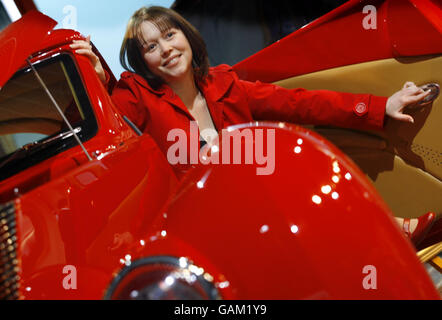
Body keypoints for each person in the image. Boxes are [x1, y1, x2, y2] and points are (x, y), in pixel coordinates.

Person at [70, 6, 436, 245]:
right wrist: (99, 78)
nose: (165, 49)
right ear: (143, 62)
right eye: (150, 47)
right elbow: (113, 127)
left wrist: (378, 106)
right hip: (198, 224)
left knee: (297, 161)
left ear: (186, 37)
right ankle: (389, 233)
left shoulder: (224, 83)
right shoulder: (137, 95)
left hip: (255, 207)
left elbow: (298, 103)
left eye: (169, 35)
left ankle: (385, 234)